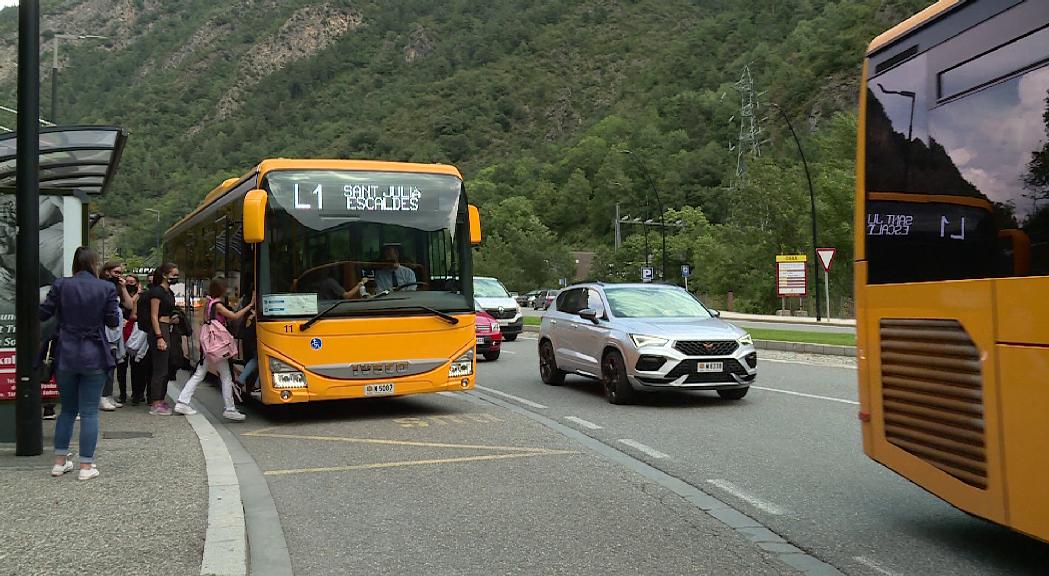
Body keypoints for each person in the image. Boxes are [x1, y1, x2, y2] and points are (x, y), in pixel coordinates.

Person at [40, 246, 119, 481]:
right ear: (95, 264)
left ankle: (59, 463)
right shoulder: (106, 288)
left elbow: (43, 313)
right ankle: (86, 467)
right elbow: (113, 321)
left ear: (75, 263)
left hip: (66, 354)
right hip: (94, 354)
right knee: (88, 413)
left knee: (67, 411)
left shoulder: (61, 285)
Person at [174, 277, 254, 421]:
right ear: (221, 289)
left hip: (209, 346)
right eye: (225, 287)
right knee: (226, 376)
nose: (228, 289)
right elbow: (234, 316)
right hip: (218, 347)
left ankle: (182, 401)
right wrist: (250, 305)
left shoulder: (208, 303)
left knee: (199, 374)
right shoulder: (217, 304)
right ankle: (229, 408)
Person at [143, 263, 179, 416]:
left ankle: (160, 399)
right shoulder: (157, 292)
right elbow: (153, 315)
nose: (176, 277)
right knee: (160, 367)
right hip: (160, 329)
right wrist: (159, 336)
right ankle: (156, 402)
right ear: (165, 275)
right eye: (174, 275)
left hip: (167, 326)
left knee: (166, 365)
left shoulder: (168, 291)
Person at [99, 261, 134, 410]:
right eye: (116, 272)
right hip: (104, 329)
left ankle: (108, 395)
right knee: (105, 364)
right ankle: (102, 396)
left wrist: (123, 287)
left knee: (112, 363)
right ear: (106, 272)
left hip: (115, 331)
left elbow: (129, 305)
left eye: (120, 273)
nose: (118, 275)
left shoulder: (117, 287)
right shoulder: (101, 286)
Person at [115, 273, 141, 405]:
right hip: (122, 332)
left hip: (135, 331)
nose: (129, 284)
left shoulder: (141, 295)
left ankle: (137, 394)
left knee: (136, 366)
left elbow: (133, 308)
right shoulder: (120, 294)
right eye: (127, 282)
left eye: (132, 282)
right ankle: (123, 393)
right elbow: (128, 305)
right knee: (121, 366)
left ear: (137, 284)